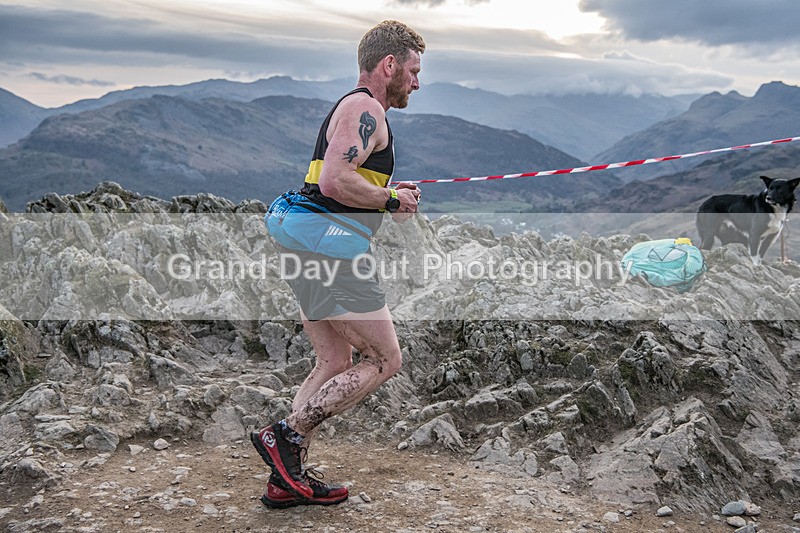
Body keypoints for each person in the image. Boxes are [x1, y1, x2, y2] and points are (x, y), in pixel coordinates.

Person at [251, 20, 425, 508]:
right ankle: (286, 435)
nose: (417, 82)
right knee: (386, 359)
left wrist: (387, 192)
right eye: (412, 70)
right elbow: (333, 180)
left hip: (305, 242)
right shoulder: (365, 107)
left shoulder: (357, 109)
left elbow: (346, 178)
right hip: (331, 248)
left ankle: (286, 479)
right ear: (388, 65)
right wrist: (391, 202)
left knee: (333, 361)